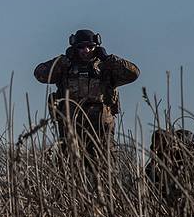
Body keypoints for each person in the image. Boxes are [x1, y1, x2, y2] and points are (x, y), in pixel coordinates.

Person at [34, 28, 139, 158]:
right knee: (70, 170)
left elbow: (133, 74)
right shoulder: (66, 67)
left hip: (101, 130)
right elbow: (39, 74)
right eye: (81, 47)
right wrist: (61, 62)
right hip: (71, 129)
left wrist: (108, 59)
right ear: (75, 48)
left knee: (106, 170)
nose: (86, 50)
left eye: (90, 46)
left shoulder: (105, 67)